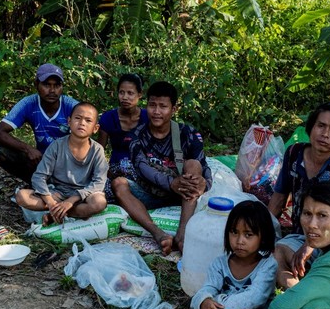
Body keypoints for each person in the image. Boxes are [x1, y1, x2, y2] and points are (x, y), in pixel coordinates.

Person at [111, 81, 212, 254]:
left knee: (192, 164)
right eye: (152, 105)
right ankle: (159, 235)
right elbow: (142, 168)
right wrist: (171, 183)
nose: (156, 112)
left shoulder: (188, 133)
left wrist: (205, 183)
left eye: (163, 106)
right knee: (118, 184)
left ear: (174, 109)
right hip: (151, 192)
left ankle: (182, 234)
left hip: (184, 192)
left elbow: (202, 164)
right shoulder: (136, 136)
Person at [268, 103, 330, 289]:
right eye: (320, 126)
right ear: (310, 129)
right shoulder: (294, 153)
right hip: (301, 234)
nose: (325, 134)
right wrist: (262, 231)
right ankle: (298, 293)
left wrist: (311, 244)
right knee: (275, 256)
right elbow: (279, 198)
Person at [16, 103, 109, 224]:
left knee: (99, 202)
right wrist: (50, 202)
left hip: (82, 196)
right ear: (69, 121)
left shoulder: (97, 150)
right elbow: (39, 176)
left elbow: (99, 182)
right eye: (77, 118)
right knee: (22, 196)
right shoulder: (57, 146)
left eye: (88, 120)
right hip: (57, 193)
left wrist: (71, 201)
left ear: (95, 128)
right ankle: (58, 211)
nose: (82, 123)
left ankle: (57, 214)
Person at [0, 63, 79, 183]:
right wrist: (27, 149)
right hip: (41, 159)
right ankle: (36, 183)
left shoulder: (72, 106)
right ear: (36, 84)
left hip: (69, 162)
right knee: (3, 152)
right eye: (46, 85)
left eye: (57, 85)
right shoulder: (28, 103)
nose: (52, 90)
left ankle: (62, 185)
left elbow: (87, 138)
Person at [97, 73, 148, 187]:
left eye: (130, 93)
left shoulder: (148, 118)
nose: (125, 97)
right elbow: (98, 151)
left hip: (143, 170)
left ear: (140, 94)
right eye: (121, 92)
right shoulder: (108, 118)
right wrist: (106, 171)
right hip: (115, 171)